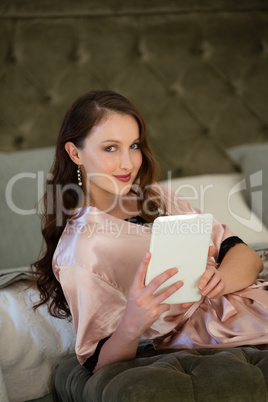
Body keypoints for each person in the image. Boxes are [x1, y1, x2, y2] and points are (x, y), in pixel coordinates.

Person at [33, 89, 268, 374]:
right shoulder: (83, 248)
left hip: (255, 302)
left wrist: (220, 279)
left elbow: (246, 256)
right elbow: (96, 361)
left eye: (133, 146)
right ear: (75, 153)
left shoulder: (155, 195)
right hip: (220, 334)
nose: (128, 163)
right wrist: (133, 321)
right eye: (110, 148)